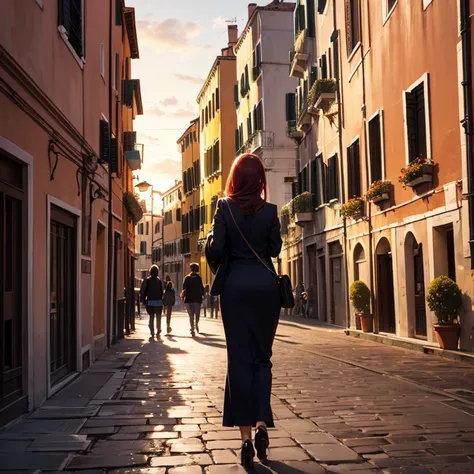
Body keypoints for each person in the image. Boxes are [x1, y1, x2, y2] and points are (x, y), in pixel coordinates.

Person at [205, 153, 282, 468]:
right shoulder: (271, 211)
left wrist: (214, 237)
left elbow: (217, 250)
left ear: (235, 178)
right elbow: (275, 249)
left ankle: (246, 440)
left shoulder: (224, 208)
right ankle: (263, 423)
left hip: (235, 288)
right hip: (266, 288)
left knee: (238, 361)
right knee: (262, 359)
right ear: (260, 179)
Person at [140, 265, 163, 339]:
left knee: (151, 317)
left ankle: (152, 331)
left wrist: (143, 300)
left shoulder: (147, 280)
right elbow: (161, 292)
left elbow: (143, 291)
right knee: (158, 317)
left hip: (150, 301)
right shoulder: (159, 281)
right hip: (158, 301)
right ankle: (158, 329)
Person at [181, 263, 204, 337]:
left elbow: (184, 288)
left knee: (191, 315)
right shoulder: (199, 278)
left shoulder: (187, 278)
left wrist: (182, 297)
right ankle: (196, 324)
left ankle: (192, 329)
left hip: (188, 299)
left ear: (191, 269)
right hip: (197, 299)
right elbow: (202, 288)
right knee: (197, 314)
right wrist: (203, 295)